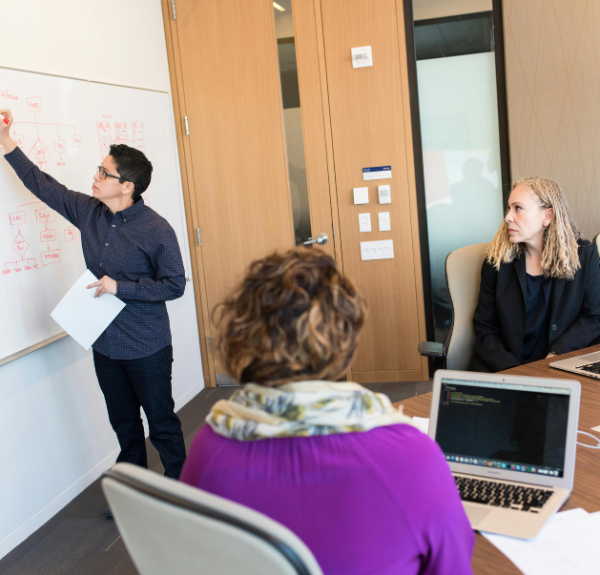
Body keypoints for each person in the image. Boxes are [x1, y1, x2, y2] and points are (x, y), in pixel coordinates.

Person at [180, 247, 474, 575]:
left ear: (240, 334)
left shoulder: (210, 446)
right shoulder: (412, 456)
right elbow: (453, 567)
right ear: (345, 336)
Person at [0, 110, 187, 507]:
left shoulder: (156, 229)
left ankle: (181, 495)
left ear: (127, 187)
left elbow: (174, 285)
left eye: (105, 173)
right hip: (106, 344)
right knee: (124, 424)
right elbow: (43, 185)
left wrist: (123, 287)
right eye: (98, 170)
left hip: (148, 346)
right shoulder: (89, 212)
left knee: (162, 423)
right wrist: (6, 140)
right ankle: (135, 494)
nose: (96, 177)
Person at [472, 177, 600, 372]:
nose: (508, 217)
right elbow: (485, 327)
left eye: (518, 208)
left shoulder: (583, 255)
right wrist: (515, 371)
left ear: (547, 216)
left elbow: (593, 317)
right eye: (509, 208)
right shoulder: (497, 261)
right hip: (504, 368)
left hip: (561, 365)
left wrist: (556, 355)